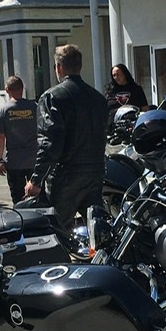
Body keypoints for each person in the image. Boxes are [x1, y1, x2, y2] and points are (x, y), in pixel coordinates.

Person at [25, 44, 108, 225]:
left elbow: (50, 142)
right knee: (97, 227)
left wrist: (36, 180)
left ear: (59, 68)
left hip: (66, 174)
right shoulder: (98, 98)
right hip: (95, 170)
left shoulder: (52, 97)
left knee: (57, 230)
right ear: (79, 66)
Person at [0, 76, 37, 204]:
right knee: (37, 198)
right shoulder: (34, 107)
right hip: (34, 160)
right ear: (22, 89)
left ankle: (21, 221)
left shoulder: (3, 111)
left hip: (14, 162)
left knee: (18, 200)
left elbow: (0, 138)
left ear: (7, 90)